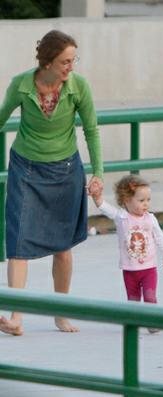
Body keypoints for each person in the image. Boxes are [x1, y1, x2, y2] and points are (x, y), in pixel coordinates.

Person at [0, 30, 103, 335]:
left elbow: (92, 131)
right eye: (64, 61)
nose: (70, 66)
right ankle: (16, 317)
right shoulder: (21, 85)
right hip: (26, 168)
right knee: (18, 243)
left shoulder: (78, 86)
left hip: (65, 170)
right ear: (46, 61)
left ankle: (60, 313)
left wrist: (97, 172)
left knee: (63, 245)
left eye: (73, 60)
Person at [91, 175, 163, 333]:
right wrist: (97, 197)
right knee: (133, 300)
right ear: (126, 200)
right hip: (130, 269)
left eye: (148, 200)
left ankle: (152, 321)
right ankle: (133, 323)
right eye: (141, 201)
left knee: (150, 297)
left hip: (149, 268)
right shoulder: (121, 217)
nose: (146, 204)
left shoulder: (150, 219)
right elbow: (103, 207)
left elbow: (160, 237)